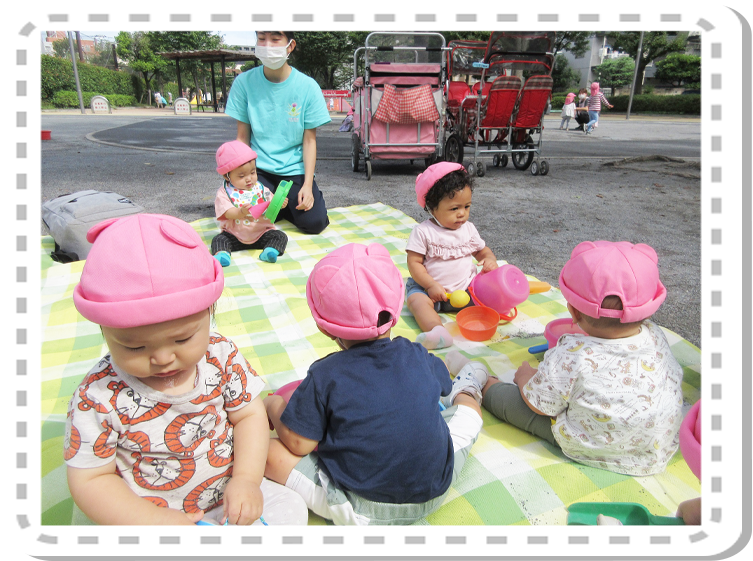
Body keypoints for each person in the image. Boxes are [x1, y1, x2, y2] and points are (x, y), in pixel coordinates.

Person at [64, 214, 308, 525]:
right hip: (150, 517)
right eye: (135, 347)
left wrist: (247, 479)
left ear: (209, 313)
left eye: (183, 338)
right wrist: (156, 524)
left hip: (232, 498)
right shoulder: (98, 397)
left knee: (291, 508)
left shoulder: (221, 355)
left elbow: (249, 414)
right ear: (104, 330)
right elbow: (90, 480)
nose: (163, 358)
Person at [262, 242, 486, 525]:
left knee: (267, 451)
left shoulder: (324, 375)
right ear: (396, 306)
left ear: (322, 326)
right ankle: (469, 386)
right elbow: (442, 383)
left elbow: (299, 442)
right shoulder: (416, 353)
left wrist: (272, 405)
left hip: (357, 507)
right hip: (434, 489)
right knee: (468, 413)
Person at [475, 240, 684, 476]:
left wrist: (525, 378)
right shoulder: (655, 335)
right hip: (653, 448)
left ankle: (480, 382)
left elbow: (540, 404)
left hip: (594, 446)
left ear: (573, 311)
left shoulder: (574, 351)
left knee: (513, 401)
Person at [224, 31, 331, 235]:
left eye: (275, 39)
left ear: (290, 46)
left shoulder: (308, 87)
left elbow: (309, 141)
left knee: (314, 222)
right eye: (261, 38)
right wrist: (235, 177)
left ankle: (282, 207)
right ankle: (277, 207)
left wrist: (308, 185)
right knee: (244, 221)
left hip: (294, 171)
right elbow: (242, 137)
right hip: (257, 171)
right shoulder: (244, 83)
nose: (267, 45)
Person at [405, 162, 499, 350]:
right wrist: (430, 285)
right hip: (430, 291)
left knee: (492, 293)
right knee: (416, 302)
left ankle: (486, 320)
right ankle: (437, 331)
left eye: (467, 206)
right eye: (454, 209)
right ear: (432, 207)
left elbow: (482, 251)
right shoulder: (423, 232)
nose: (462, 214)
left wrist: (490, 259)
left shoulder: (468, 229)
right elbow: (414, 263)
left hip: (466, 290)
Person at [211, 140, 288, 267]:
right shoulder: (225, 192)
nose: (249, 179)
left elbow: (271, 203)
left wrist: (279, 203)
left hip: (261, 233)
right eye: (241, 176)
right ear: (227, 176)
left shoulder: (260, 188)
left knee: (280, 236)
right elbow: (227, 212)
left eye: (252, 172)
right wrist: (240, 212)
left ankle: (270, 251)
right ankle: (223, 254)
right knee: (219, 239)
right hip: (234, 235)